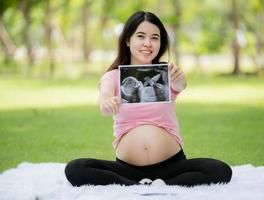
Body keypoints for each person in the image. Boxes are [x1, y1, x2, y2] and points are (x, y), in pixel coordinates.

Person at [65, 11, 232, 187]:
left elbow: (181, 86)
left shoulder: (166, 74)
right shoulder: (113, 76)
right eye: (141, 36)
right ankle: (136, 185)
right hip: (128, 168)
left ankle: (161, 184)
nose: (147, 43)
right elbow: (104, 101)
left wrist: (180, 80)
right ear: (128, 40)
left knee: (220, 170)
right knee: (76, 168)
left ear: (161, 43)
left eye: (154, 37)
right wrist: (107, 102)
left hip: (172, 165)